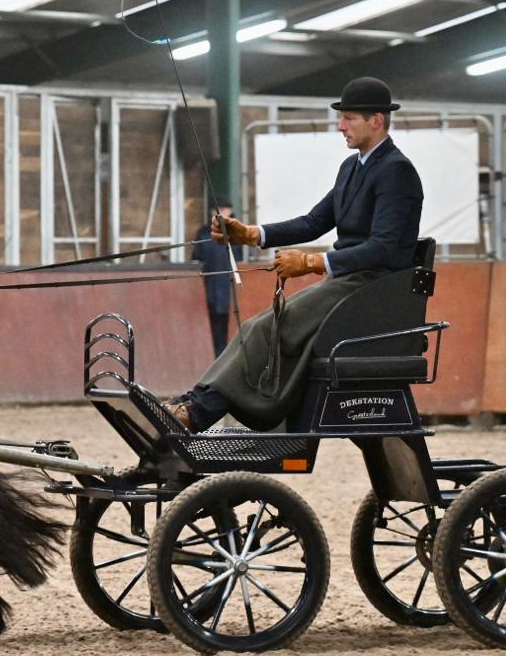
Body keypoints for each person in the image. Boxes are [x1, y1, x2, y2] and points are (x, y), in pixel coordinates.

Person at [170, 76, 424, 433]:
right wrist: (253, 234)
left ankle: (198, 413)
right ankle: (196, 402)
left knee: (264, 329)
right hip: (347, 283)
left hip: (371, 288)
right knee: (258, 327)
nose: (341, 126)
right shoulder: (352, 168)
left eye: (349, 118)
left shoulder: (397, 171)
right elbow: (313, 222)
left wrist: (311, 262)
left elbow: (383, 247)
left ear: (376, 120)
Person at [191, 204, 242, 356]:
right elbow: (196, 260)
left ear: (231, 211)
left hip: (230, 289)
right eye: (218, 209)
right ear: (212, 212)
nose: (221, 212)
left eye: (225, 209)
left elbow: (242, 262)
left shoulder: (238, 232)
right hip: (211, 289)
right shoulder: (204, 233)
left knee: (232, 329)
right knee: (215, 330)